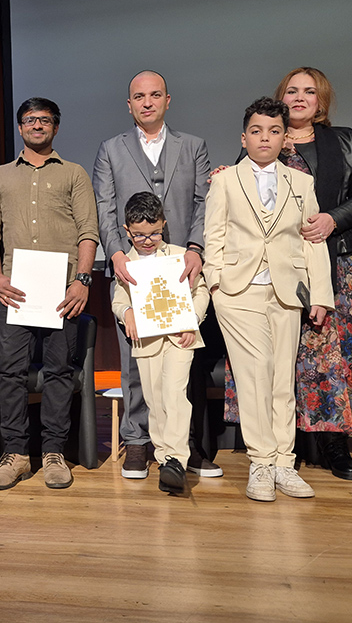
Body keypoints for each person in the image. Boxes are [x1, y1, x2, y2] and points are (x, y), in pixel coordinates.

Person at [220, 68, 352, 480]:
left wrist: (331, 220)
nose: (300, 97)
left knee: (336, 357)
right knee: (289, 360)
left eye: (310, 91)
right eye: (292, 90)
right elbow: (239, 203)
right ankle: (285, 448)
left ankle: (336, 445)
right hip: (278, 272)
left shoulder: (344, 140)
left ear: (321, 100)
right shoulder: (261, 143)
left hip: (342, 261)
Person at [204, 97, 333, 502]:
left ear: (284, 137)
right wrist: (216, 286)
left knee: (282, 380)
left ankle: (284, 463)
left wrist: (321, 294)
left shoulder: (302, 183)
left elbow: (312, 241)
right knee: (253, 375)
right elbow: (214, 235)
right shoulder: (225, 181)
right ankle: (261, 463)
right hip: (238, 292)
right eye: (257, 131)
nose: (265, 138)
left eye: (274, 131)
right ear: (244, 137)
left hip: (286, 291)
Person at [93, 70, 219, 481]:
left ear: (168, 100)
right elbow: (105, 208)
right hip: (132, 265)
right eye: (138, 97)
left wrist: (197, 250)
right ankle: (136, 440)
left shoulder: (194, 146)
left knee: (186, 357)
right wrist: (115, 254)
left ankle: (187, 447)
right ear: (129, 105)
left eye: (154, 95)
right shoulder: (111, 150)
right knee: (135, 359)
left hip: (182, 266)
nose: (147, 102)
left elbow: (203, 203)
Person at [0, 97, 100, 491]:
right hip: (15, 289)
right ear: (20, 127)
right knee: (11, 372)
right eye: (29, 120)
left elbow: (88, 231)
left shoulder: (75, 174)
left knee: (59, 372)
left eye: (44, 120)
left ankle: (53, 453)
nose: (37, 126)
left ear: (56, 127)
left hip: (62, 290)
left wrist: (82, 280)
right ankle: (15, 454)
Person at [111, 191, 210, 495]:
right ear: (128, 230)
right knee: (154, 400)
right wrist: (127, 312)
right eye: (140, 235)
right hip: (147, 340)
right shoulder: (125, 263)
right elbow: (118, 300)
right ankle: (165, 457)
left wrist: (192, 320)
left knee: (174, 393)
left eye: (154, 233)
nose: (147, 240)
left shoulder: (181, 255)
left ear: (164, 225)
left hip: (181, 336)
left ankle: (176, 461)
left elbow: (201, 291)